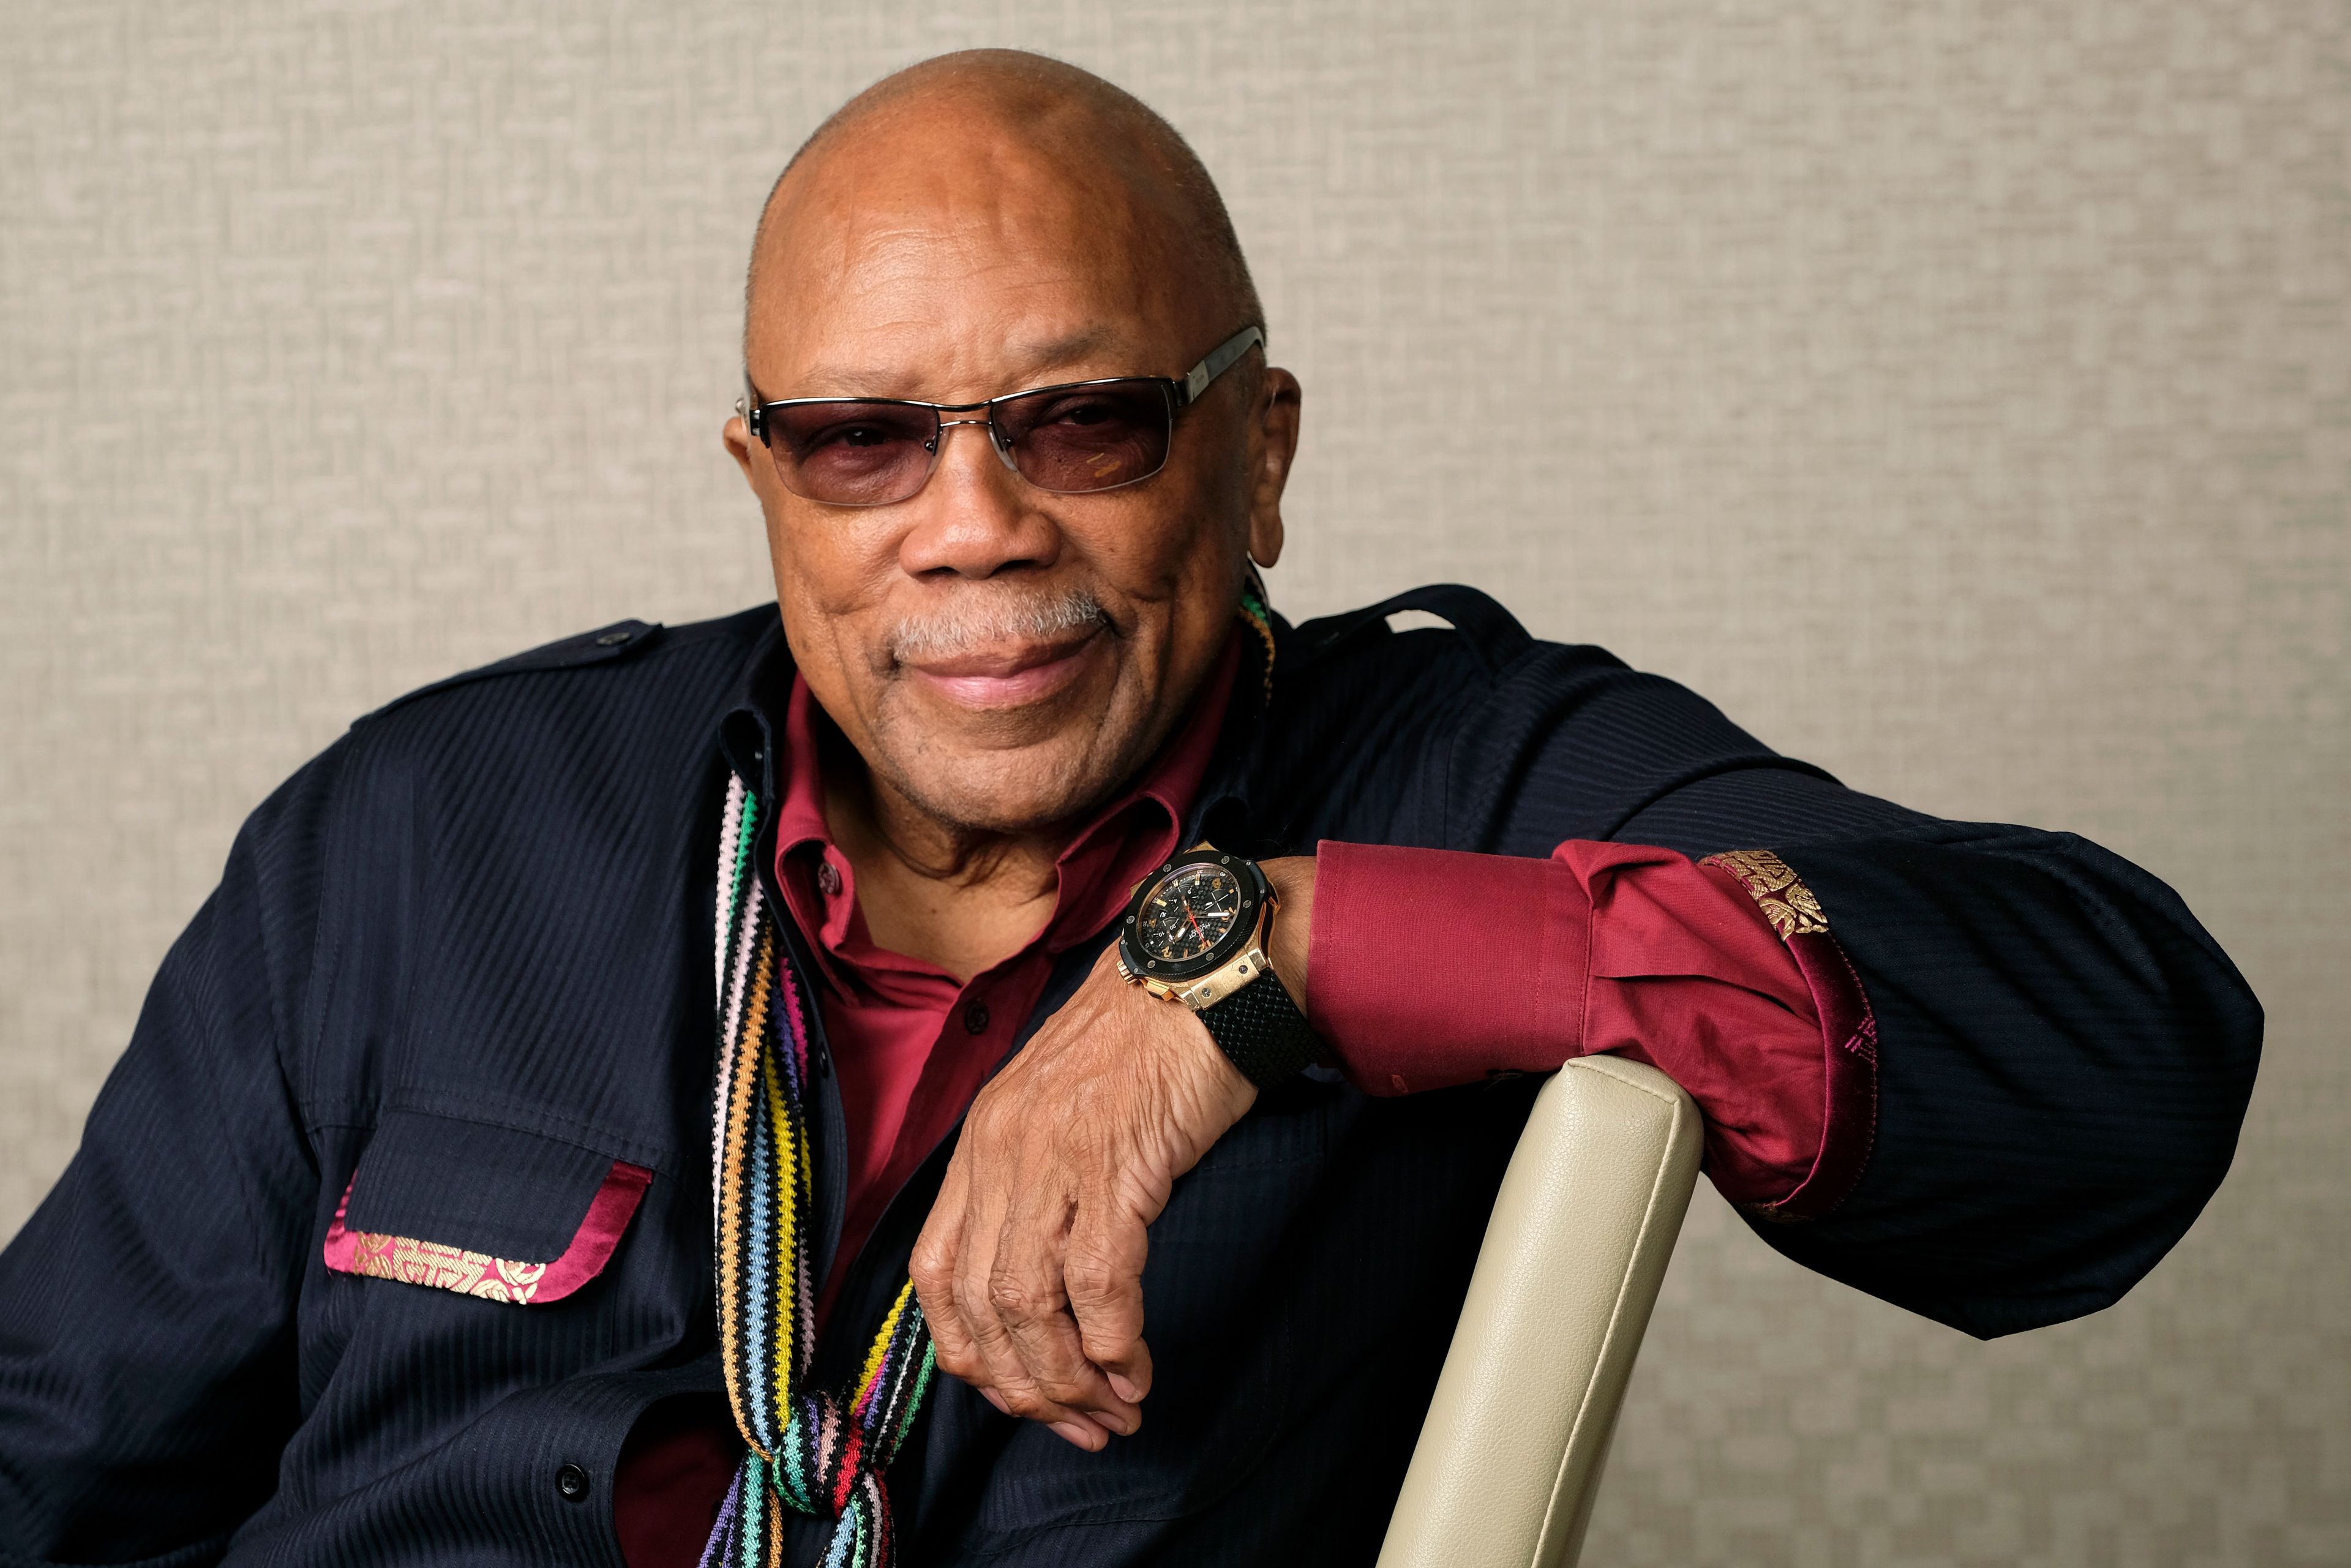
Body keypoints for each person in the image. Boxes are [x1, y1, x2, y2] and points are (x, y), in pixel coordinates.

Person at [0, 48, 2259, 1568]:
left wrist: (1272, 952)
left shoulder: (1465, 768)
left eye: (1080, 421)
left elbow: (2120, 1055)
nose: (970, 528)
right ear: (765, 481)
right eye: (864, 440)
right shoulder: (417, 828)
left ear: (1260, 451)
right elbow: (58, 1457)